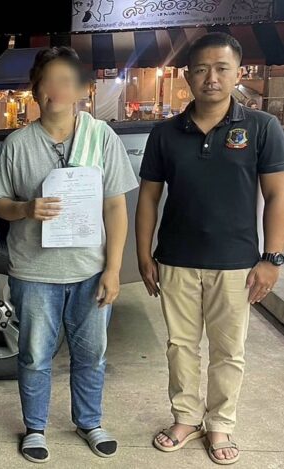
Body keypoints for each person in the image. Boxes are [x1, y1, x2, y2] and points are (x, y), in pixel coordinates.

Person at [136, 32, 284, 465]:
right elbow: (148, 198)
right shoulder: (165, 133)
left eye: (221, 68)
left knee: (228, 351)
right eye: (201, 69)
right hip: (176, 260)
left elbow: (277, 195)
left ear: (238, 73)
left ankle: (220, 423)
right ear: (188, 76)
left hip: (236, 264)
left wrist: (272, 258)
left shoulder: (261, 127)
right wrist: (144, 255)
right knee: (180, 346)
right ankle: (185, 417)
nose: (211, 78)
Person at [0, 46, 138, 463]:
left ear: (81, 89)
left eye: (66, 80)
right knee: (35, 356)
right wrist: (25, 209)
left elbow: (115, 207)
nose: (56, 88)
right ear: (35, 89)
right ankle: (35, 428)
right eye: (47, 80)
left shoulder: (100, 137)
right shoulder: (18, 143)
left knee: (91, 355)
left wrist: (113, 269)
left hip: (89, 270)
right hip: (35, 272)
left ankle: (89, 421)